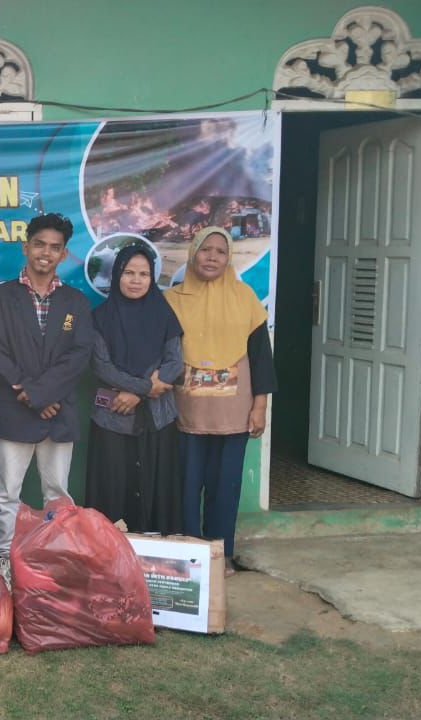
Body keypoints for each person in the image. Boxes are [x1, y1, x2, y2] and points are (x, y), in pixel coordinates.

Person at [0, 213, 94, 588]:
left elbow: (78, 356)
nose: (46, 253)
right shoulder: (0, 298)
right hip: (14, 411)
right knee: (7, 493)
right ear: (25, 247)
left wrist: (43, 394)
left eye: (55, 247)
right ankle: (6, 564)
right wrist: (32, 394)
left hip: (57, 414)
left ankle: (54, 560)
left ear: (63, 254)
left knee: (57, 493)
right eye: (40, 244)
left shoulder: (75, 302)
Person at [165, 226, 277, 574]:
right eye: (205, 250)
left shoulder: (245, 299)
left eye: (220, 251)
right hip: (186, 413)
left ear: (229, 258)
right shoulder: (172, 300)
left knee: (225, 485)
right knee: (185, 484)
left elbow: (261, 358)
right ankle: (190, 552)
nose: (212, 257)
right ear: (193, 253)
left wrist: (259, 408)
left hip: (234, 412)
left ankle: (221, 552)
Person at [85, 243, 185, 534]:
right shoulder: (100, 317)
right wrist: (143, 387)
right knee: (114, 486)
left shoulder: (163, 314)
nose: (136, 280)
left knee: (157, 488)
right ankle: (113, 559)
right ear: (116, 275)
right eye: (129, 272)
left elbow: (174, 362)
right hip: (113, 415)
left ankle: (155, 562)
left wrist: (137, 394)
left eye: (143, 273)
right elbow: (101, 366)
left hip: (158, 418)